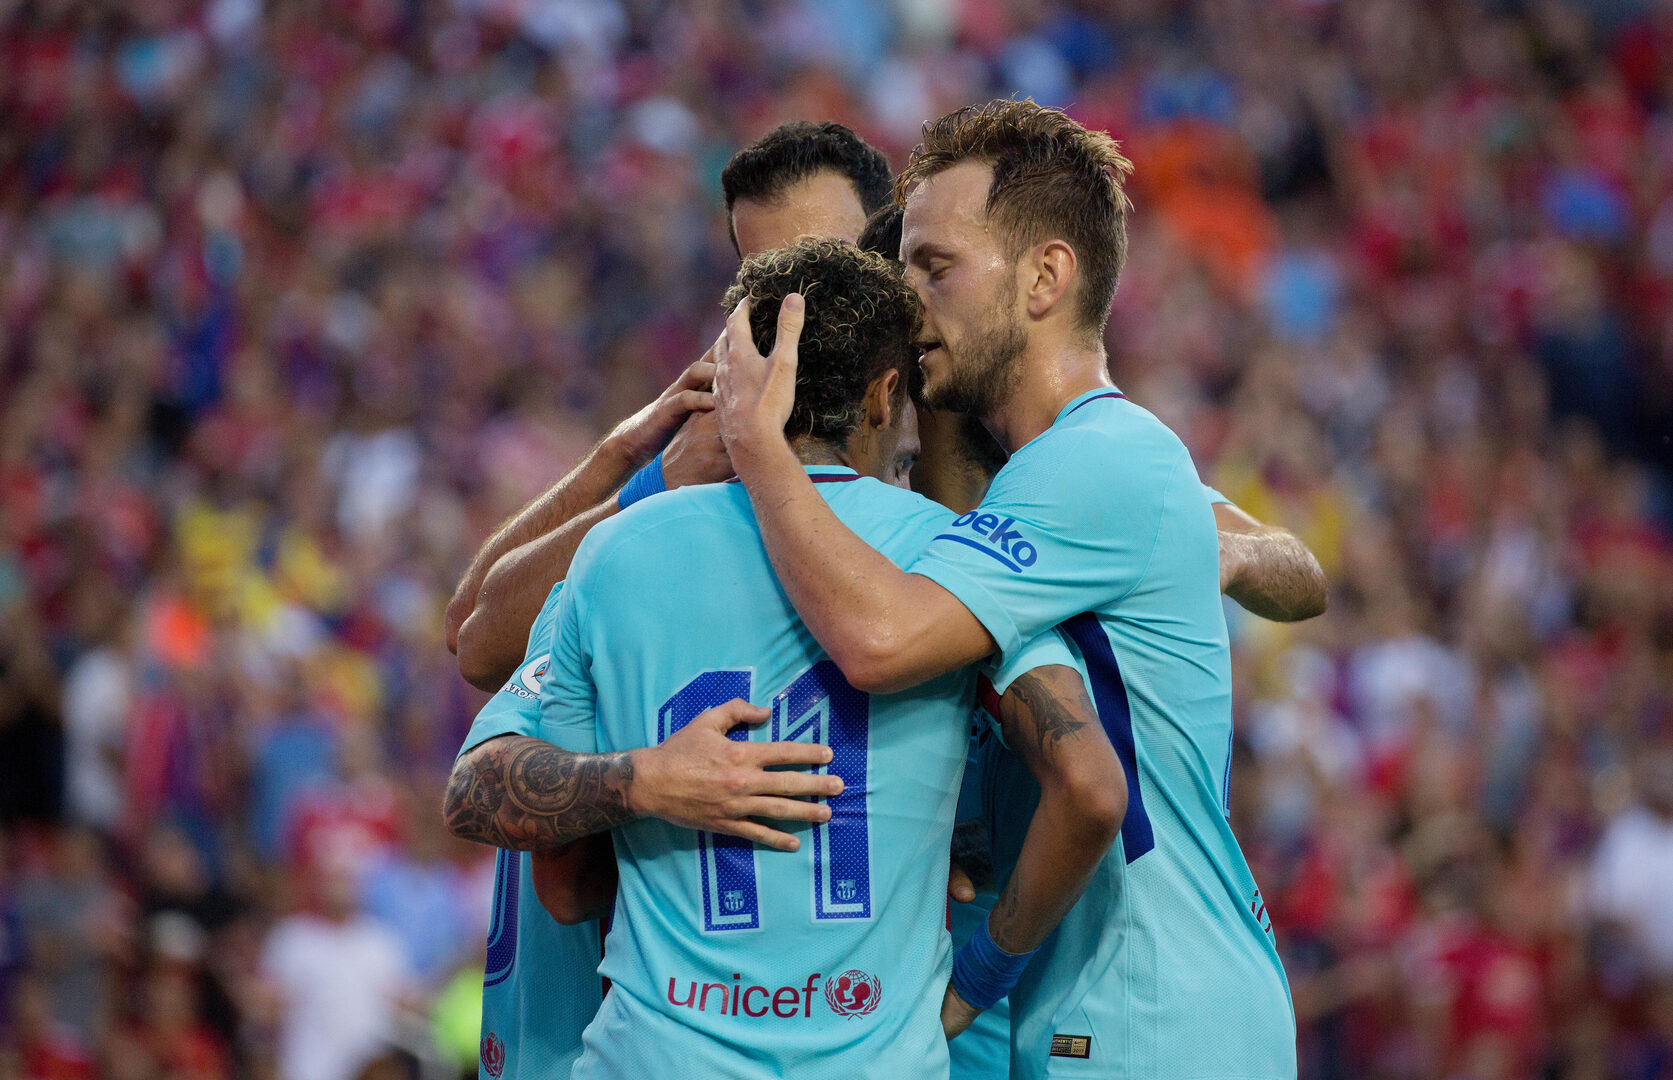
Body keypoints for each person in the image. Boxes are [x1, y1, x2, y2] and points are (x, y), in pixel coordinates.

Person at [712, 100, 1298, 1079]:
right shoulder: (1066, 469)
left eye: (935, 267)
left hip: (1148, 1015)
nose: (907, 301)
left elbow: (882, 641)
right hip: (1126, 1008)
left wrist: (757, 448)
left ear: (1044, 278)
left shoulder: (1093, 463)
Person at [534, 238, 1120, 1079]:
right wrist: (974, 980)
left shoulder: (611, 554)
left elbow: (565, 888)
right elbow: (1091, 791)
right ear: (884, 397)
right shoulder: (959, 555)